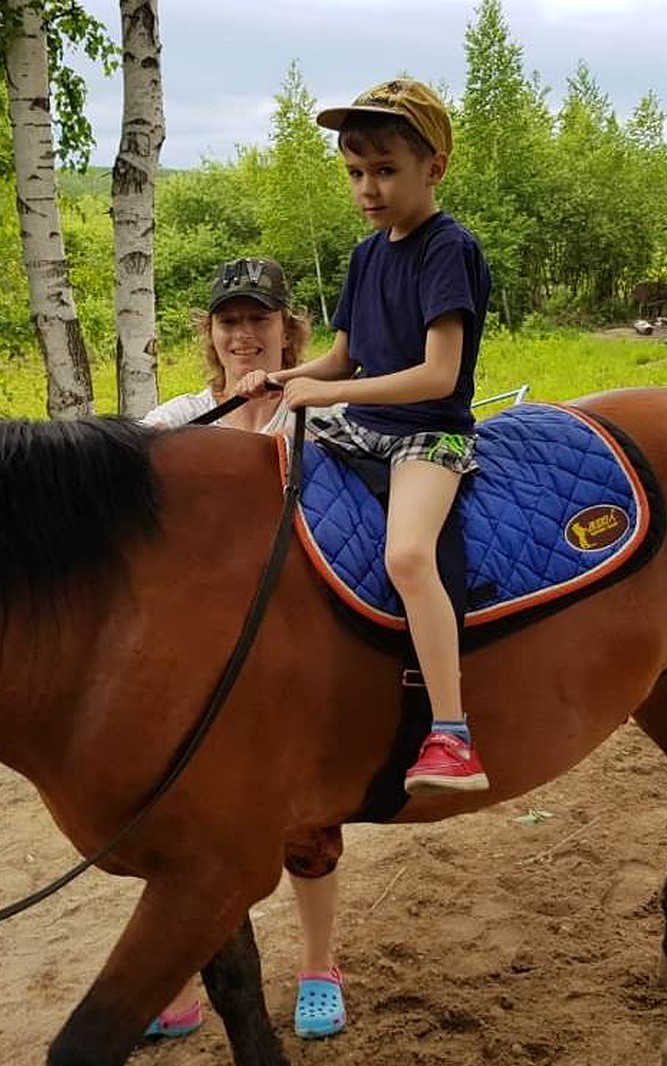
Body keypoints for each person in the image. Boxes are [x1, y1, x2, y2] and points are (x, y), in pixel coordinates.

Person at [236, 79, 492, 796]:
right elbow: (342, 357)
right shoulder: (366, 253)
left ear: (433, 168)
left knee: (409, 555)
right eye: (355, 173)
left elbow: (438, 376)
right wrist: (284, 377)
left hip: (427, 436)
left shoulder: (450, 250)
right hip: (363, 428)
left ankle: (452, 731)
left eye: (384, 171)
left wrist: (332, 392)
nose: (367, 189)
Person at [141, 257, 347, 1041]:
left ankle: (320, 966)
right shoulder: (175, 419)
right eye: (230, 322)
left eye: (259, 321)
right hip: (195, 670)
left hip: (295, 661)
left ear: (289, 331)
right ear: (212, 334)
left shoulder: (323, 415)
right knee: (187, 829)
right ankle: (185, 983)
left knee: (306, 824)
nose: (243, 336)